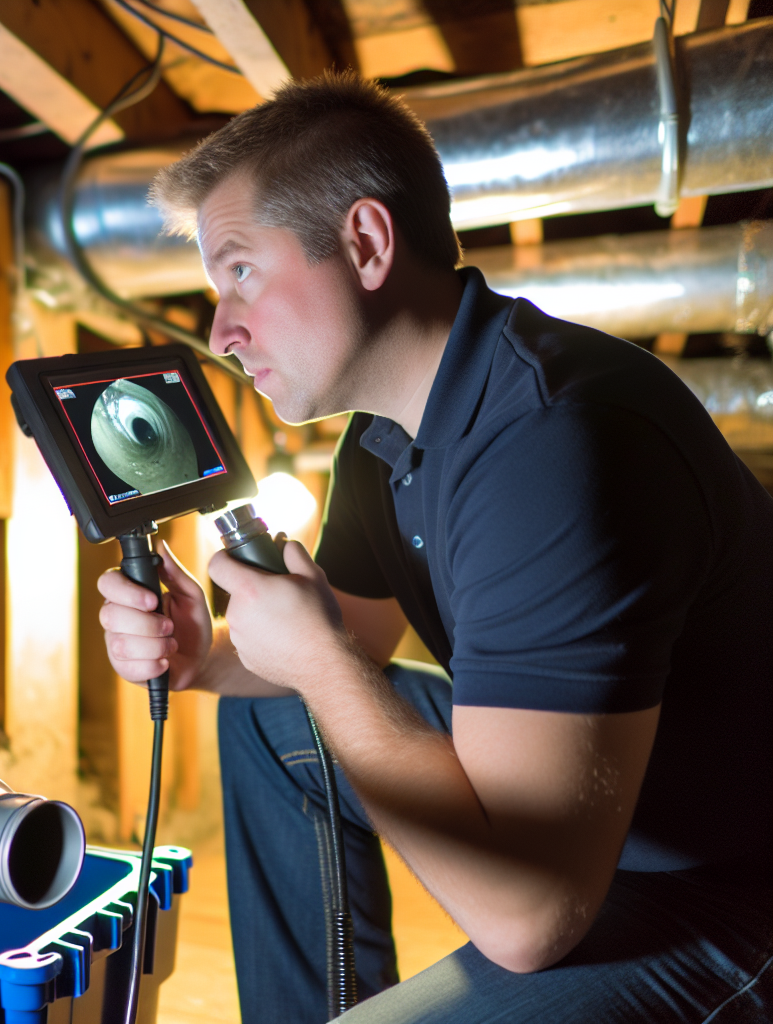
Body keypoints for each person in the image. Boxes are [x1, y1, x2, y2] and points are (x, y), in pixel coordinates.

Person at [97, 73, 773, 1023]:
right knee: (268, 718)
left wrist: (318, 659)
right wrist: (205, 658)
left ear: (367, 242)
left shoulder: (557, 442)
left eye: (241, 272)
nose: (222, 331)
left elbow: (529, 917)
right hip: (598, 836)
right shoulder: (382, 441)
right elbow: (356, 638)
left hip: (720, 887)